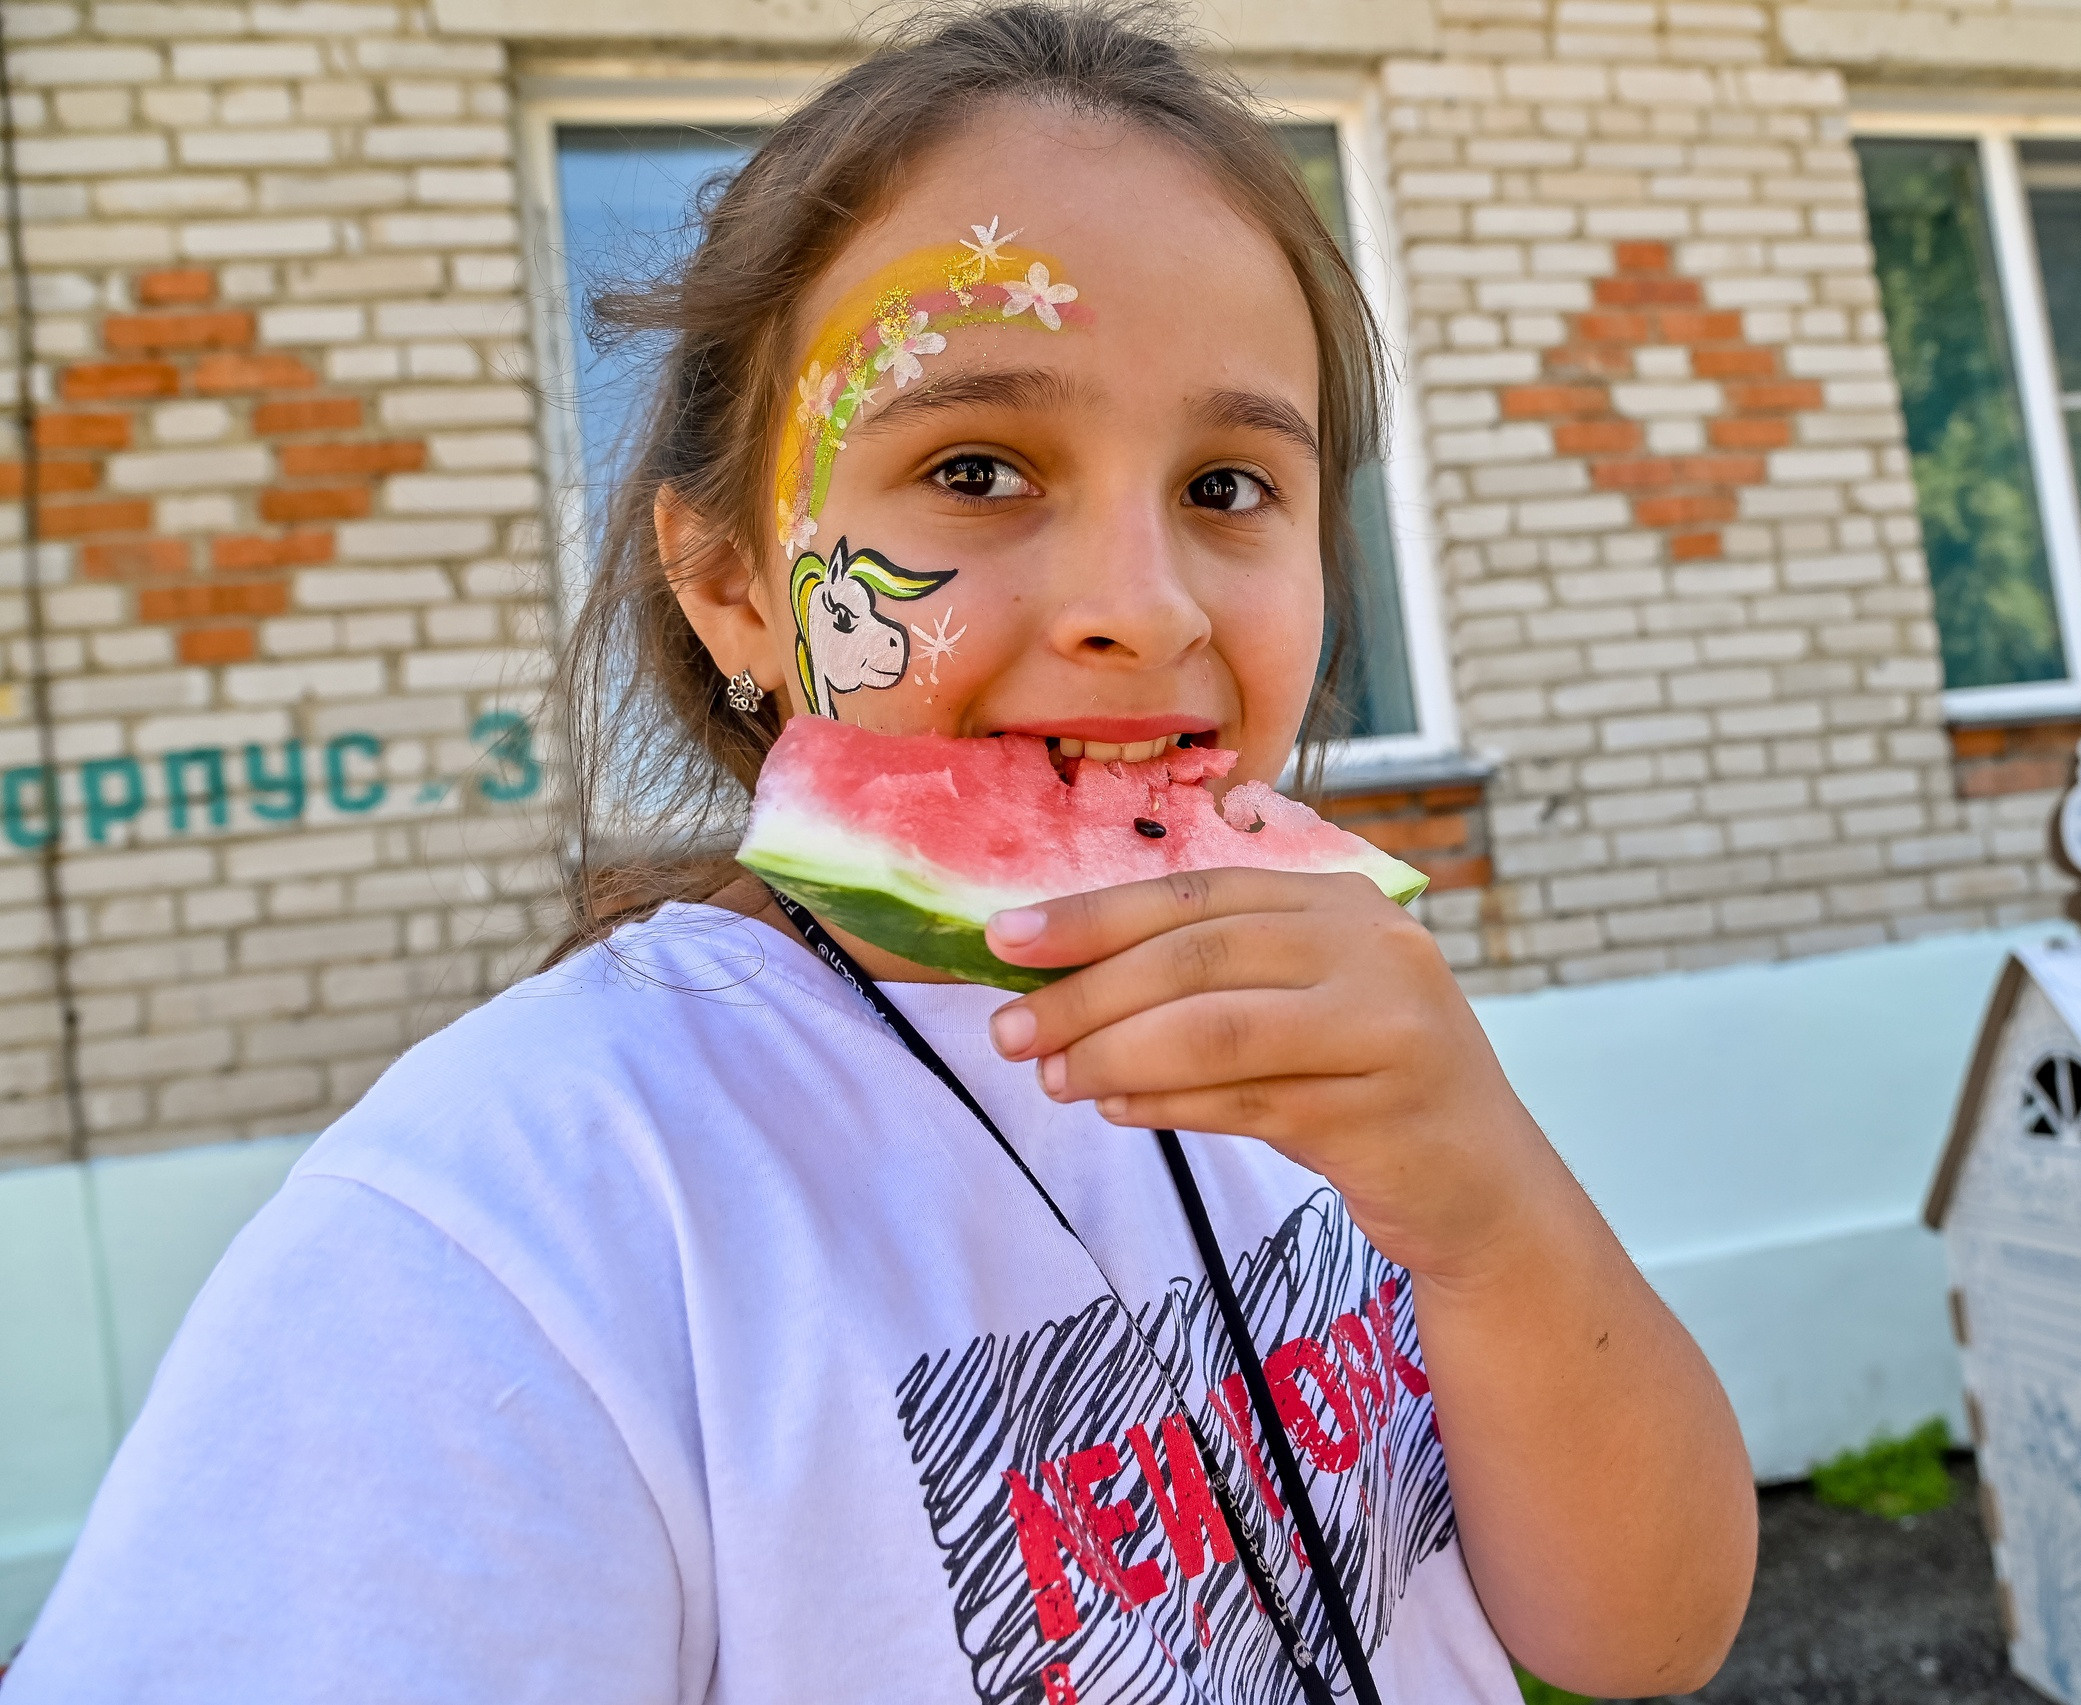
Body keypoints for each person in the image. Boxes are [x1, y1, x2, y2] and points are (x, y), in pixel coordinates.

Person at [0, 6, 1756, 1700]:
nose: (1141, 610)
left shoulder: (1346, 1069)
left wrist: (1488, 1214)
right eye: (979, 465)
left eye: (1231, 486)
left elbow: (1644, 1636)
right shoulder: (513, 1230)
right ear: (732, 587)